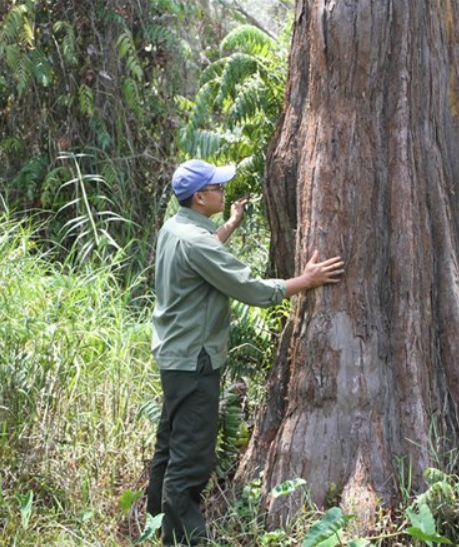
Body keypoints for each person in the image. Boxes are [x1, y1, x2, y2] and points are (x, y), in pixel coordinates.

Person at [146, 159, 344, 545]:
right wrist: (305, 280)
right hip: (196, 362)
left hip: (175, 357)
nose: (223, 192)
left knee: (169, 448)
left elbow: (202, 254)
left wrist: (231, 223)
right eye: (217, 188)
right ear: (200, 197)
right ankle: (185, 541)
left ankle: (155, 529)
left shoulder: (176, 229)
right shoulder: (195, 241)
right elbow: (251, 290)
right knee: (190, 461)